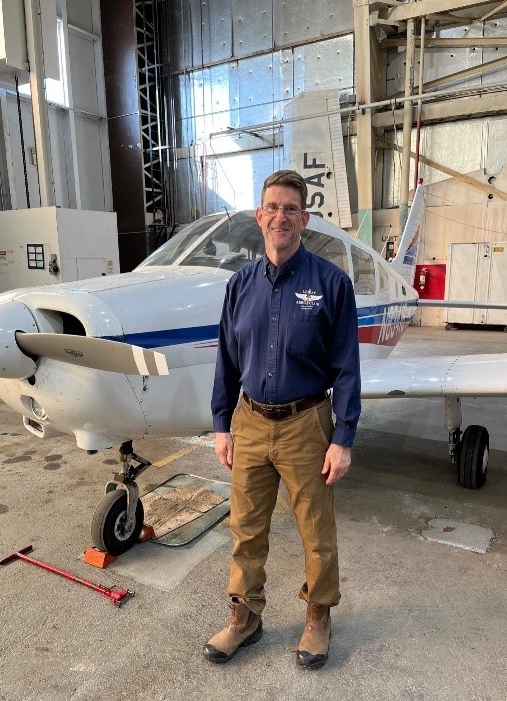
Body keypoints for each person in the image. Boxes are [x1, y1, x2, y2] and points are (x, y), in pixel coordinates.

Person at [204, 169, 361, 669]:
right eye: (272, 207)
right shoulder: (240, 285)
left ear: (304, 219)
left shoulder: (331, 284)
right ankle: (244, 616)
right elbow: (227, 360)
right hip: (250, 421)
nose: (280, 217)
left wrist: (344, 436)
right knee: (246, 529)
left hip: (306, 421)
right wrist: (222, 424)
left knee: (317, 531)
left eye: (290, 209)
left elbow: (347, 367)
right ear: (259, 216)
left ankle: (318, 616)